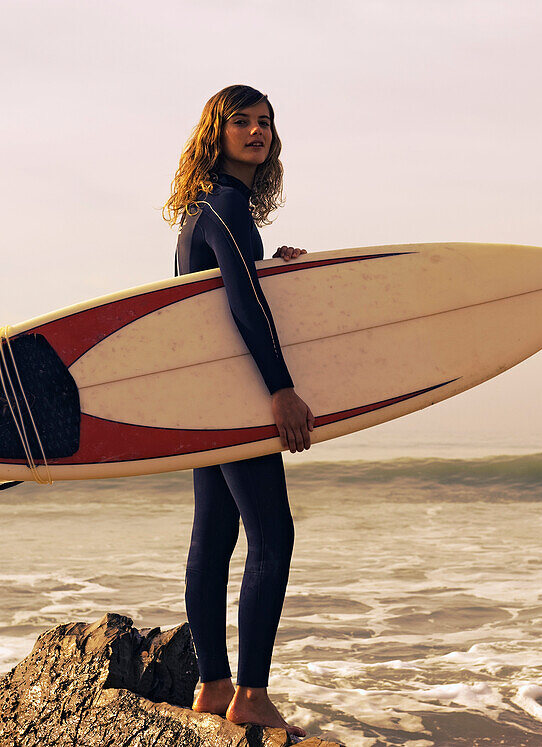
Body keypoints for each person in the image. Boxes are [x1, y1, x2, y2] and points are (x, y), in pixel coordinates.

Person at [163, 84, 312, 738]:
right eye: (243, 122)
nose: (257, 132)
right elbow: (243, 308)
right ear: (216, 133)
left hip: (205, 400)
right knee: (271, 536)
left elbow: (231, 289)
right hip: (234, 398)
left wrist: (270, 267)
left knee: (215, 538)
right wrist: (280, 388)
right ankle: (250, 691)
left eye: (266, 122)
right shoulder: (224, 206)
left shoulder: (210, 209)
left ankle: (213, 683)